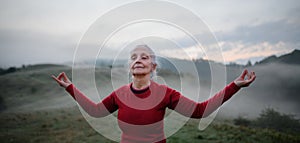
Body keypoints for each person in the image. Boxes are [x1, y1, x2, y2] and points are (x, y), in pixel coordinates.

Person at [52, 45, 256, 143]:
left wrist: (235, 85)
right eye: (133, 57)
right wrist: (70, 87)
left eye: (145, 57)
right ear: (130, 66)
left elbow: (200, 111)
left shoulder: (165, 93)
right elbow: (96, 111)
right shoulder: (119, 94)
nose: (138, 59)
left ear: (153, 66)